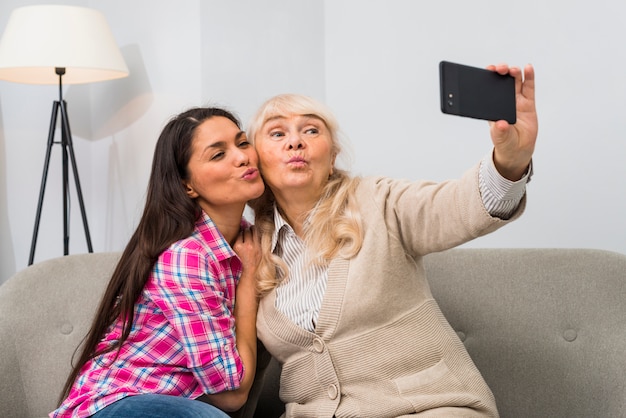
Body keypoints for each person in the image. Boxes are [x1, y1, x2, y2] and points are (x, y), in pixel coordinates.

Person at [247, 63, 537, 417]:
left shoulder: (379, 201)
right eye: (277, 134)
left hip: (429, 407)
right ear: (255, 160)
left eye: (311, 130)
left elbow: (459, 207)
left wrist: (510, 161)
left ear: (333, 155)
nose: (296, 141)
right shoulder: (252, 253)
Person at [51, 107, 265, 418]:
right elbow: (230, 396)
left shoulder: (249, 241)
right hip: (116, 404)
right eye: (218, 155)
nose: (242, 157)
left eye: (242, 142)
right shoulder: (187, 256)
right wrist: (248, 285)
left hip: (172, 405)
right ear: (187, 185)